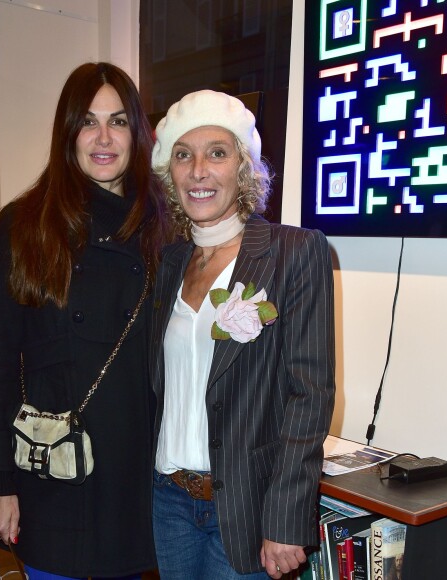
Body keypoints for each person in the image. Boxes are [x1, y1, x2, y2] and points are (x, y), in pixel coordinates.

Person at [0, 62, 170, 580]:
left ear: (138, 132)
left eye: (119, 121)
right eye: (88, 121)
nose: (104, 138)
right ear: (68, 133)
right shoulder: (26, 224)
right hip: (53, 469)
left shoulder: (162, 226)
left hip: (135, 472)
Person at [149, 90, 336, 579]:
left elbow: (309, 394)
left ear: (244, 167)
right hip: (168, 501)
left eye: (217, 152)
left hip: (246, 511)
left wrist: (287, 518)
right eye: (183, 156)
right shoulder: (168, 263)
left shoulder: (294, 252)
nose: (198, 171)